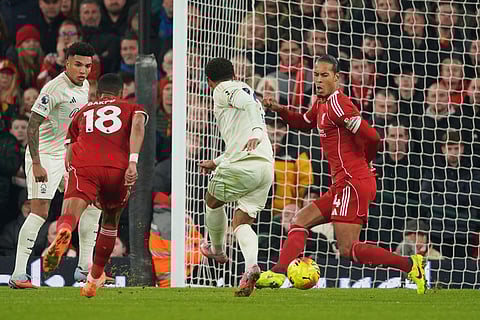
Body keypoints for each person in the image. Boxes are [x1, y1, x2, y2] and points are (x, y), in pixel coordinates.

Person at [257, 55, 427, 294]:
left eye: (324, 75)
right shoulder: (321, 102)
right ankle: (277, 273)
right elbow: (304, 122)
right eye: (316, 75)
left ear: (337, 77)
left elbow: (373, 137)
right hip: (342, 184)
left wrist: (365, 162)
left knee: (348, 249)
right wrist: (278, 108)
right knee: (299, 221)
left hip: (352, 183)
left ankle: (410, 265)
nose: (318, 79)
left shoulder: (339, 103)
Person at [42, 73, 147, 298]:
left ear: (98, 93)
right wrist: (133, 161)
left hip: (85, 166)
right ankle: (94, 277)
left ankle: (64, 230)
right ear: (121, 93)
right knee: (110, 220)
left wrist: (73, 176)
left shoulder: (82, 112)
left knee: (70, 213)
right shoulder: (131, 108)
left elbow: (69, 151)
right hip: (117, 168)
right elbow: (138, 125)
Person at [8, 42, 102, 289]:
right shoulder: (54, 88)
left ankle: (84, 269)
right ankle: (18, 275)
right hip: (45, 156)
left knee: (92, 204)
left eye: (88, 66)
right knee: (40, 212)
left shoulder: (85, 87)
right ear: (67, 63)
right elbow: (32, 125)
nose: (83, 70)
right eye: (78, 64)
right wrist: (37, 163)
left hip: (66, 154)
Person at [198, 58, 274, 297]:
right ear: (233, 72)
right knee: (242, 221)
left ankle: (217, 249)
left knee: (212, 200)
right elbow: (240, 137)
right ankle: (251, 265)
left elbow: (249, 111)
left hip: (244, 164)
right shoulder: (246, 89)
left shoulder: (223, 89)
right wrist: (217, 161)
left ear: (209, 81)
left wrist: (256, 131)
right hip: (265, 167)